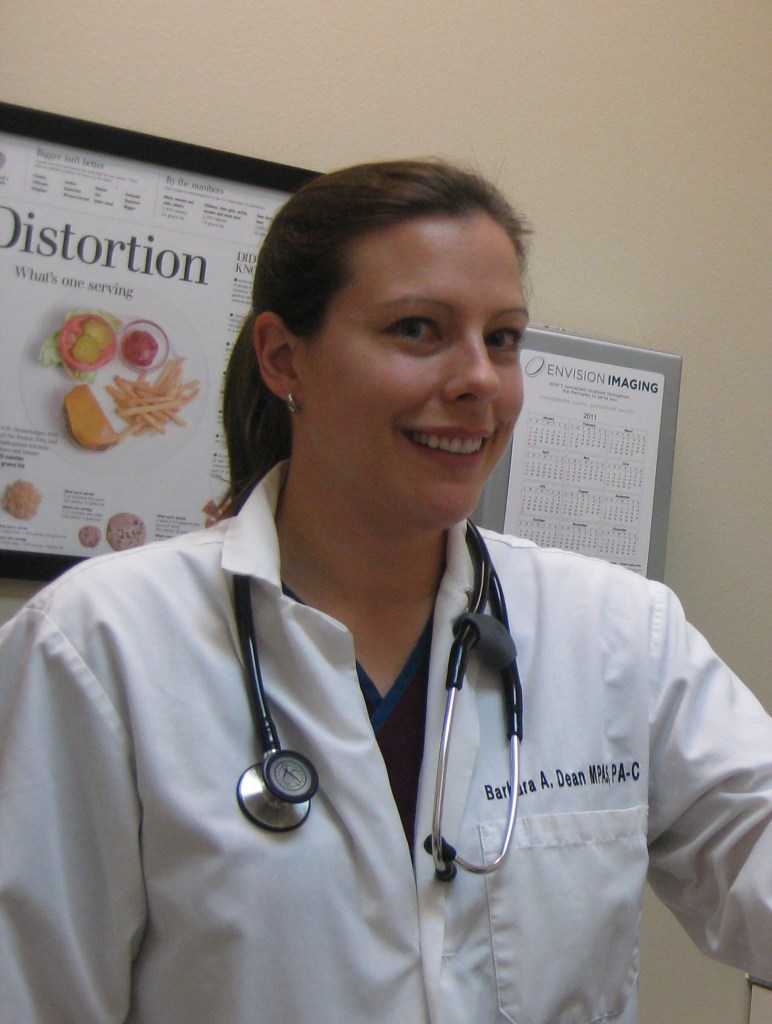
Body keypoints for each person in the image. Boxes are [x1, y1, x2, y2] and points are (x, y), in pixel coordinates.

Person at [0, 159, 770, 1024]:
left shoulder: (619, 634)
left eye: (503, 338)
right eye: (417, 329)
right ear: (283, 358)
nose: (481, 379)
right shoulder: (99, 644)